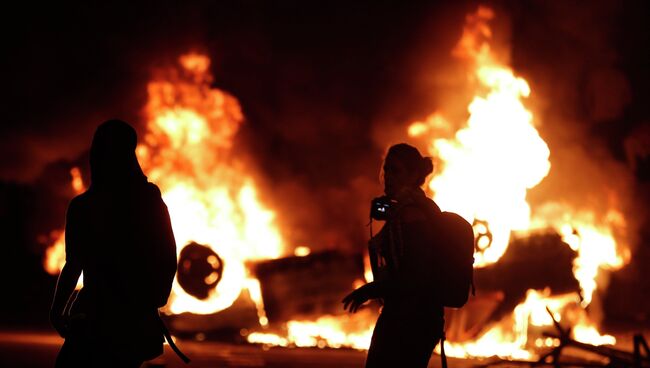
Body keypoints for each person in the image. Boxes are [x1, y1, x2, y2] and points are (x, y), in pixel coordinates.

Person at [50, 119, 178, 368]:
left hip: (96, 315)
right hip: (132, 319)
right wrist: (154, 298)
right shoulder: (149, 201)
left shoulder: (84, 206)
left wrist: (57, 310)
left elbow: (74, 264)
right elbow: (167, 254)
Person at [343, 143, 444, 368]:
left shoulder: (412, 215)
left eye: (396, 170)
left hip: (410, 319)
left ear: (413, 175)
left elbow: (413, 275)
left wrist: (370, 290)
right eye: (386, 169)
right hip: (410, 316)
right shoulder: (404, 210)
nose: (388, 176)